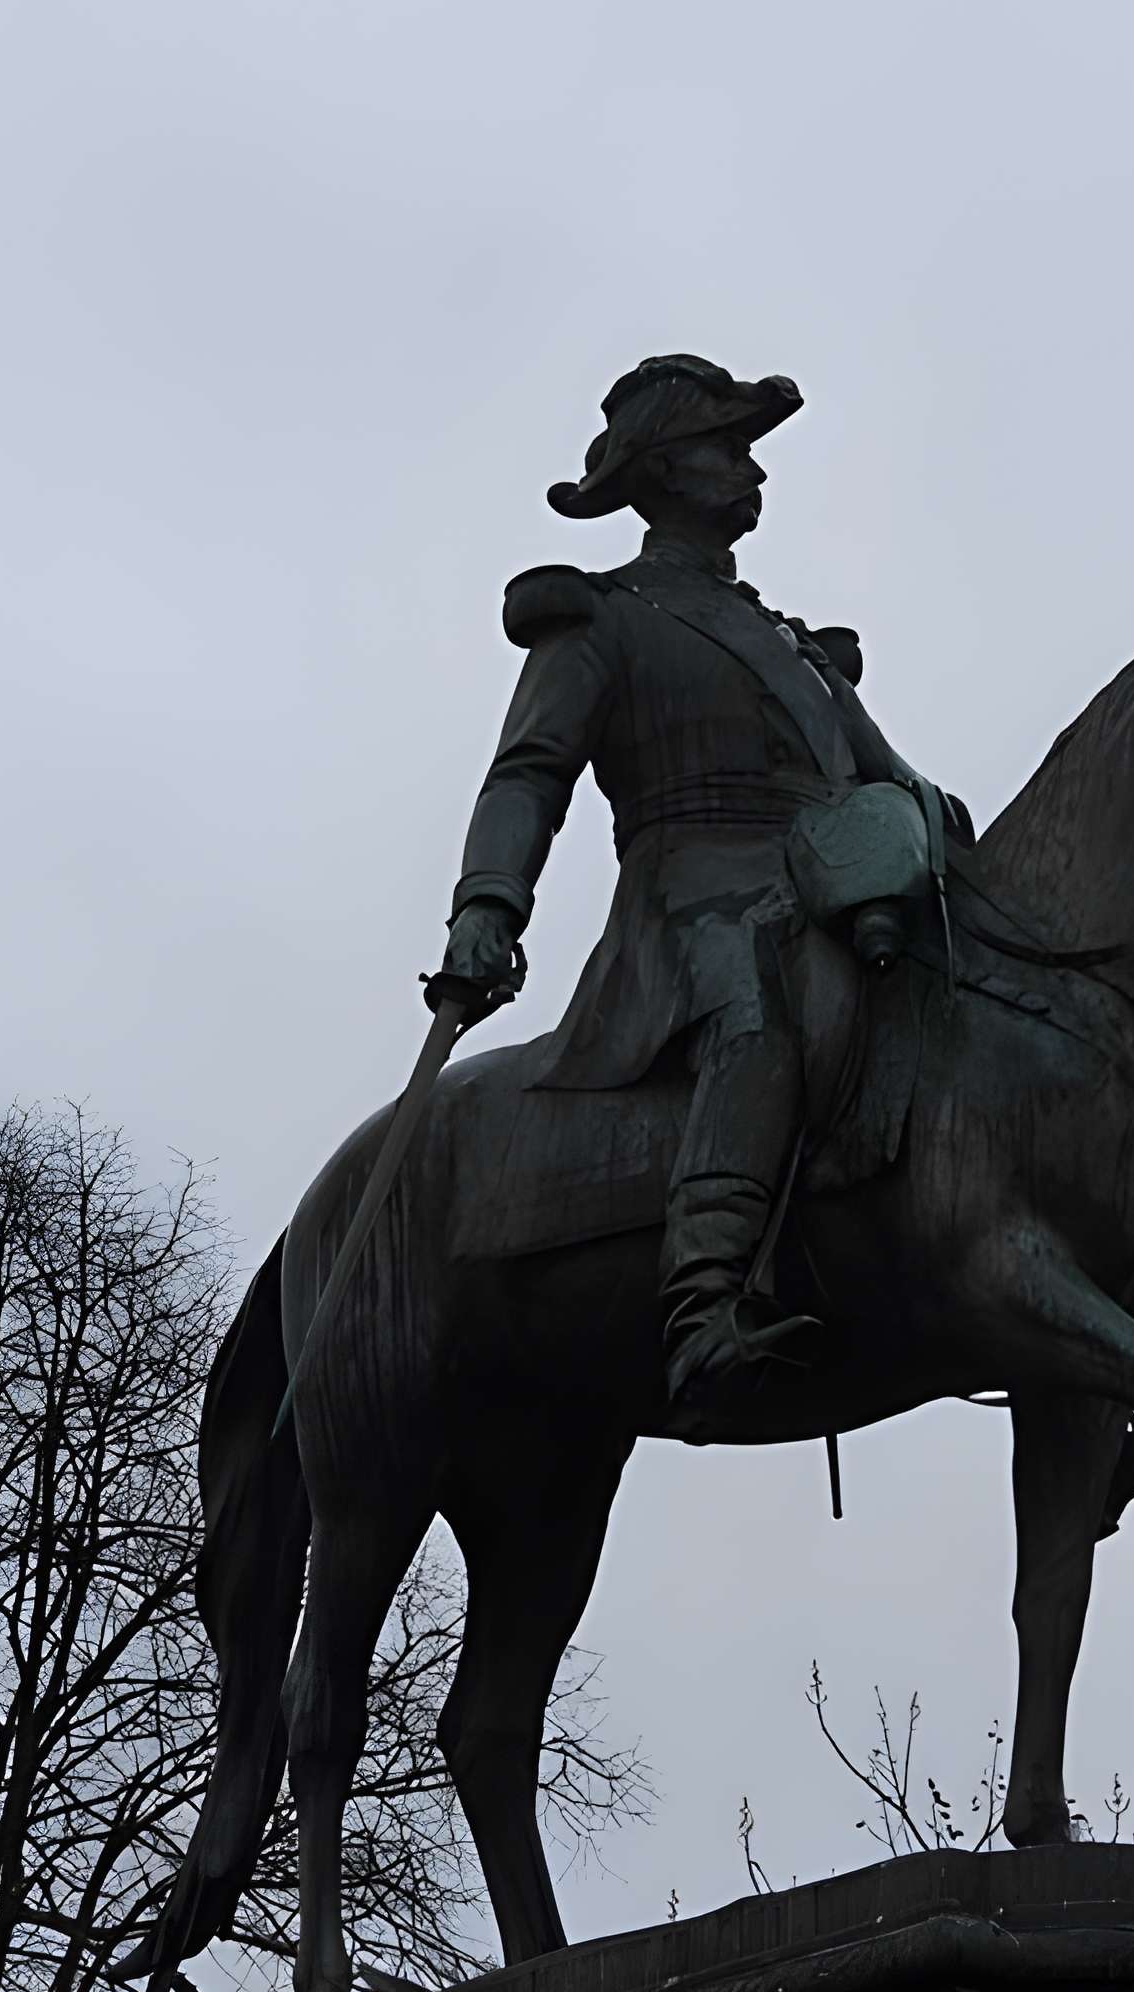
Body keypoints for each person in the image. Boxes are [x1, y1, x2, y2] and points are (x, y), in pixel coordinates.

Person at [437, 354, 962, 1406]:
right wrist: (487, 904)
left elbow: (888, 774)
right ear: (663, 469)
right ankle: (704, 1298)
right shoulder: (600, 617)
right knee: (757, 1002)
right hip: (691, 896)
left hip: (823, 875)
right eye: (727, 447)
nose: (749, 469)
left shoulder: (790, 644)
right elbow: (529, 772)